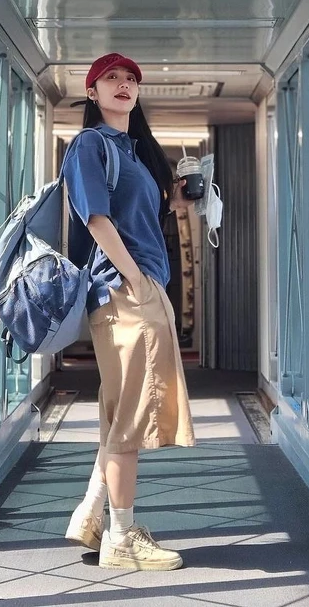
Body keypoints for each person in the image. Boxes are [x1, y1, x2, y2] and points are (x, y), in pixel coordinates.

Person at [62, 52, 196, 571]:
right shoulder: (89, 144)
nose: (123, 85)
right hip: (125, 290)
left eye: (131, 79)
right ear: (92, 92)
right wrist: (135, 280)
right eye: (111, 78)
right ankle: (120, 537)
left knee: (122, 410)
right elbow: (95, 218)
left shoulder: (133, 153)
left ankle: (92, 513)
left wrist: (176, 199)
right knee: (133, 417)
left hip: (141, 287)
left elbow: (137, 218)